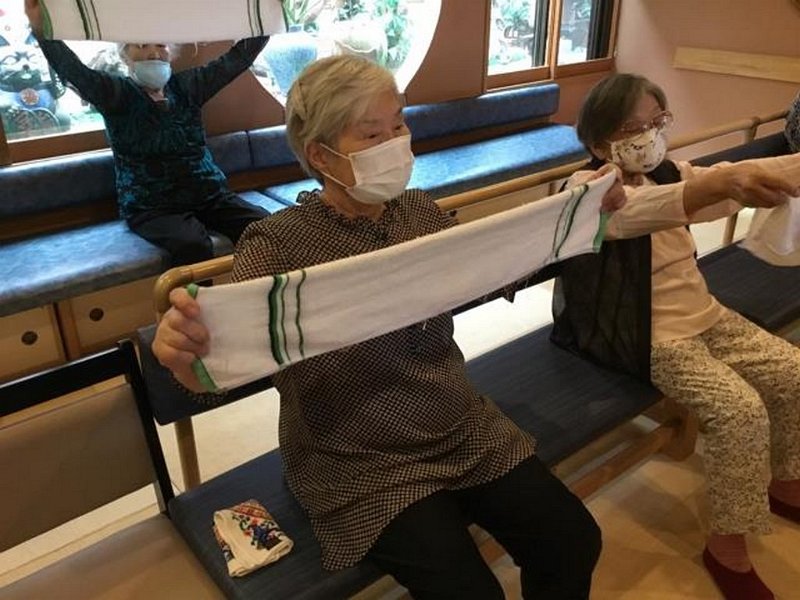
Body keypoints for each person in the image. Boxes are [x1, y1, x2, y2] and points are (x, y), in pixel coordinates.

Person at [152, 54, 613, 599]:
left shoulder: (418, 213)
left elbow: (490, 269)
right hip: (355, 459)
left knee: (572, 540)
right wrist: (188, 357)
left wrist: (576, 212)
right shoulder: (277, 247)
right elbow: (225, 366)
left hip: (458, 423)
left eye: (399, 125)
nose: (396, 143)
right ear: (321, 154)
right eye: (372, 134)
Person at [559, 72, 800, 600]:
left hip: (704, 313)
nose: (649, 135)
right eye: (632, 128)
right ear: (599, 143)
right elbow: (638, 215)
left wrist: (774, 175)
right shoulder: (585, 190)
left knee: (793, 372)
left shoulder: (671, 171)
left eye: (657, 121)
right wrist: (708, 188)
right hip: (643, 333)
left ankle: (786, 482)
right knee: (739, 411)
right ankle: (726, 549)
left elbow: (724, 183)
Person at [24, 0, 270, 266]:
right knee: (192, 244)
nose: (153, 53)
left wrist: (267, 16)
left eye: (161, 45)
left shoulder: (188, 87)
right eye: (141, 46)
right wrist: (40, 30)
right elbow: (74, 71)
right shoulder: (116, 94)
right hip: (152, 207)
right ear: (125, 55)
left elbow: (236, 60)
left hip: (211, 197)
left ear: (170, 52)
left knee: (267, 226)